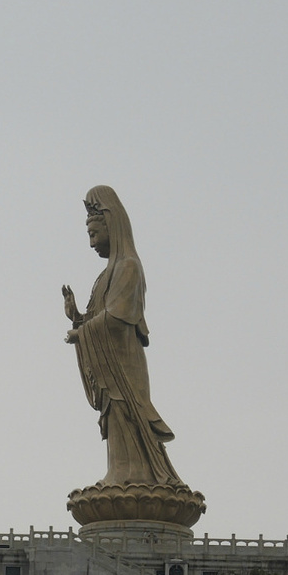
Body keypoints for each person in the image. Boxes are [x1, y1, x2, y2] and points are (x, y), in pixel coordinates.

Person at [62, 185, 187, 489]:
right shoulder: (105, 274)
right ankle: (120, 472)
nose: (91, 244)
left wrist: (82, 333)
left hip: (124, 364)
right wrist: (78, 316)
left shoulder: (128, 266)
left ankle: (137, 475)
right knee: (113, 415)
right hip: (108, 362)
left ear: (112, 226)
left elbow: (117, 318)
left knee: (127, 413)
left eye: (94, 234)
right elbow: (99, 317)